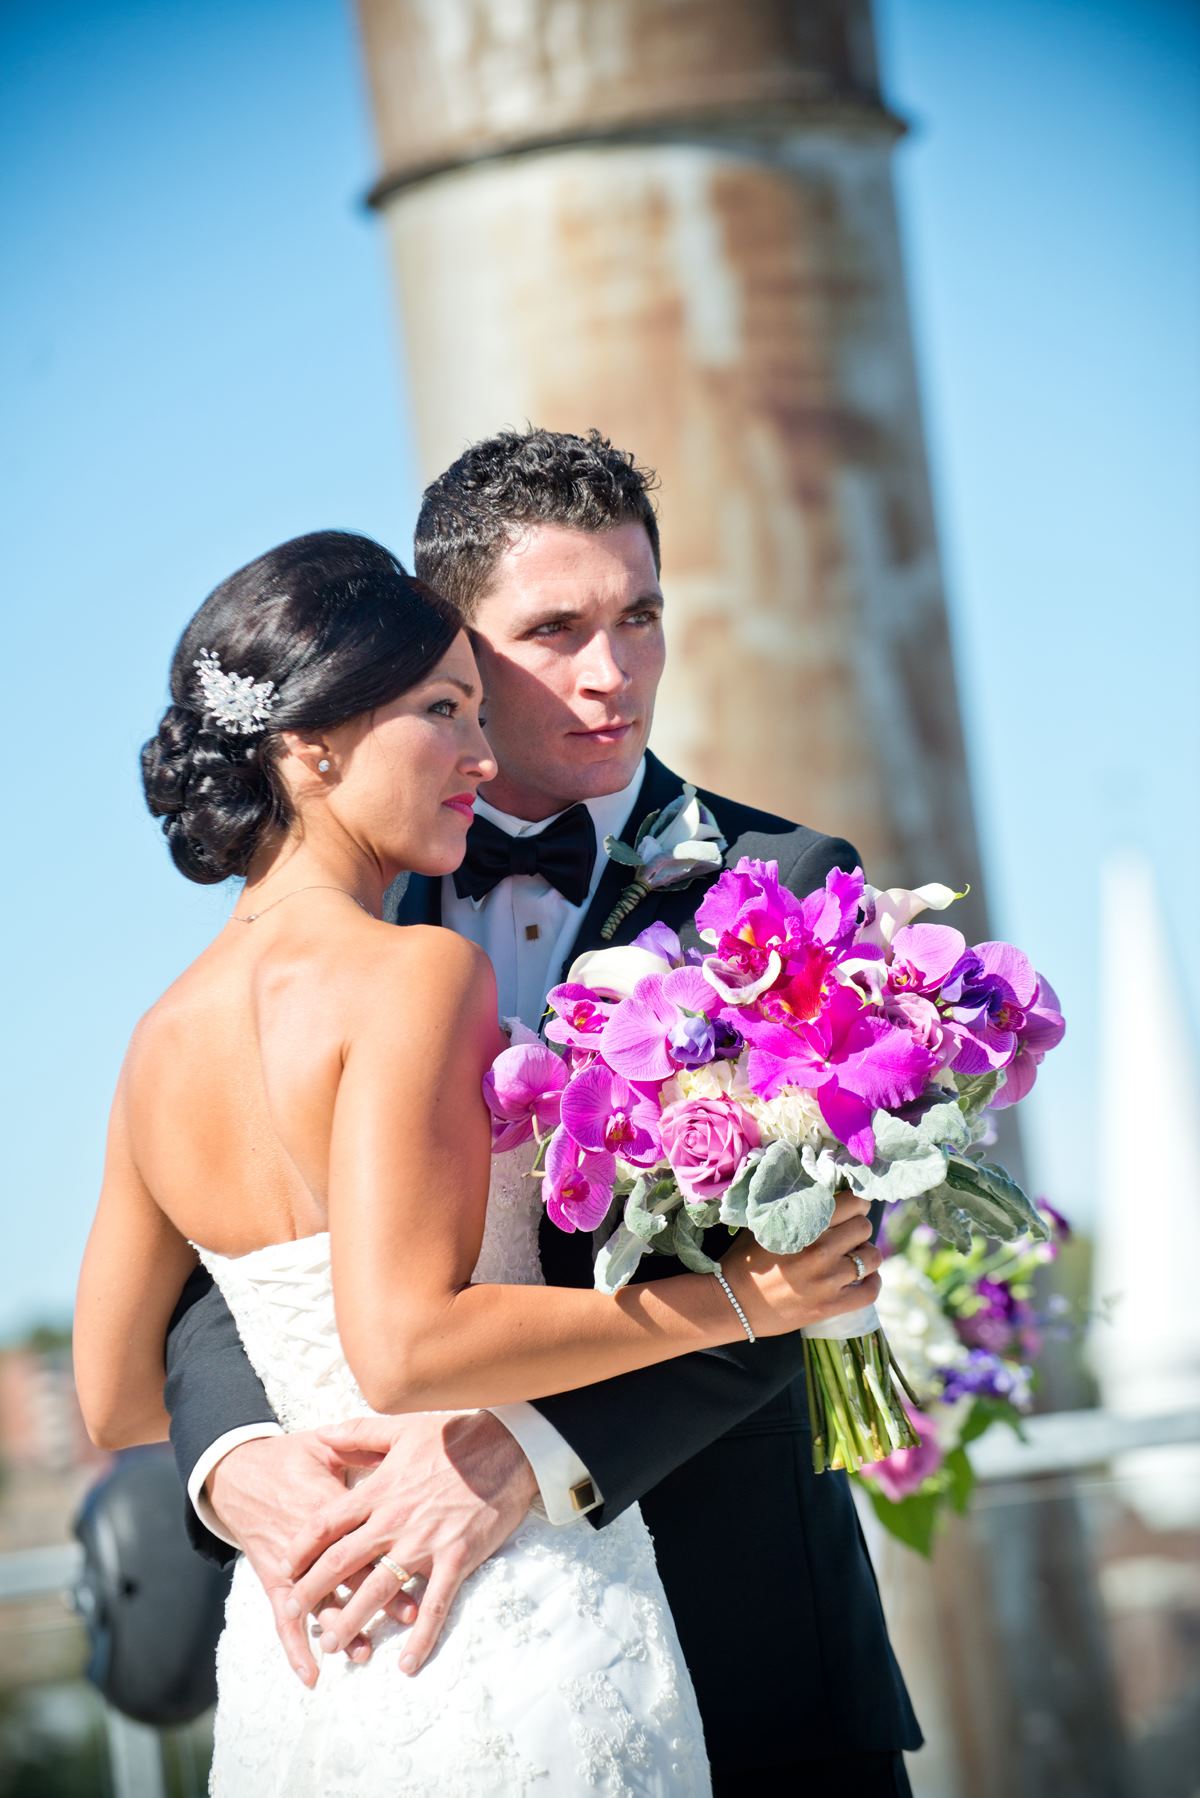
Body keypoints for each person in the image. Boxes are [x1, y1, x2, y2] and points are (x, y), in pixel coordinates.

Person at [162, 431, 922, 1795]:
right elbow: (233, 1238)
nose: (613, 672)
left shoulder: (791, 882)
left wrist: (528, 1448)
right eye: (556, 630)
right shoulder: (339, 918)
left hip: (747, 1631)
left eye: (642, 616)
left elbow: (823, 1257)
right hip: (412, 1656)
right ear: (448, 647)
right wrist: (233, 1459)